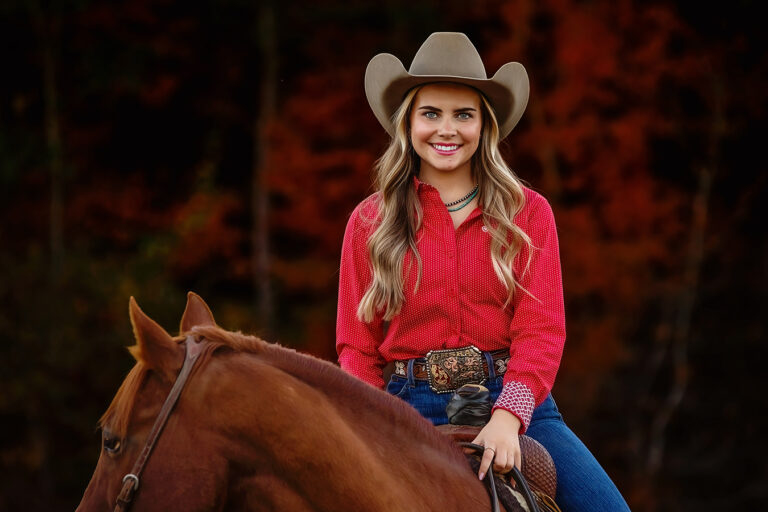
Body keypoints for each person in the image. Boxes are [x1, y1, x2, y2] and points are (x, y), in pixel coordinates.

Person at [336, 32, 630, 511]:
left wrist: (509, 415)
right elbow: (356, 348)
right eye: (430, 113)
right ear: (407, 122)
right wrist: (375, 428)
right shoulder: (369, 221)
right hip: (404, 406)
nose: (446, 129)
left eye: (463, 115)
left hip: (515, 400)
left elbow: (542, 330)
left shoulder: (528, 213)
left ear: (484, 125)